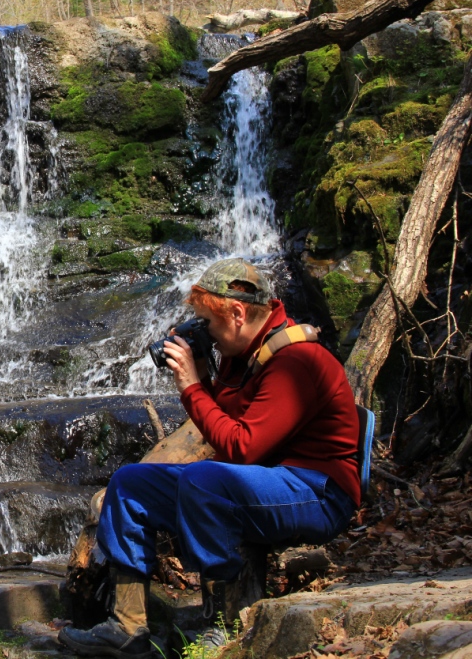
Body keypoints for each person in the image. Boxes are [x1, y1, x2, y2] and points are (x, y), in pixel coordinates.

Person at [59, 258, 360, 659]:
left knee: (204, 479)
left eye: (209, 324)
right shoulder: (243, 354)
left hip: (318, 491)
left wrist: (191, 387)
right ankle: (127, 628)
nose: (208, 336)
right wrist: (205, 379)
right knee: (131, 484)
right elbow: (229, 431)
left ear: (237, 313)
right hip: (263, 482)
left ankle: (223, 623)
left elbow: (241, 447)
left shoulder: (296, 360)